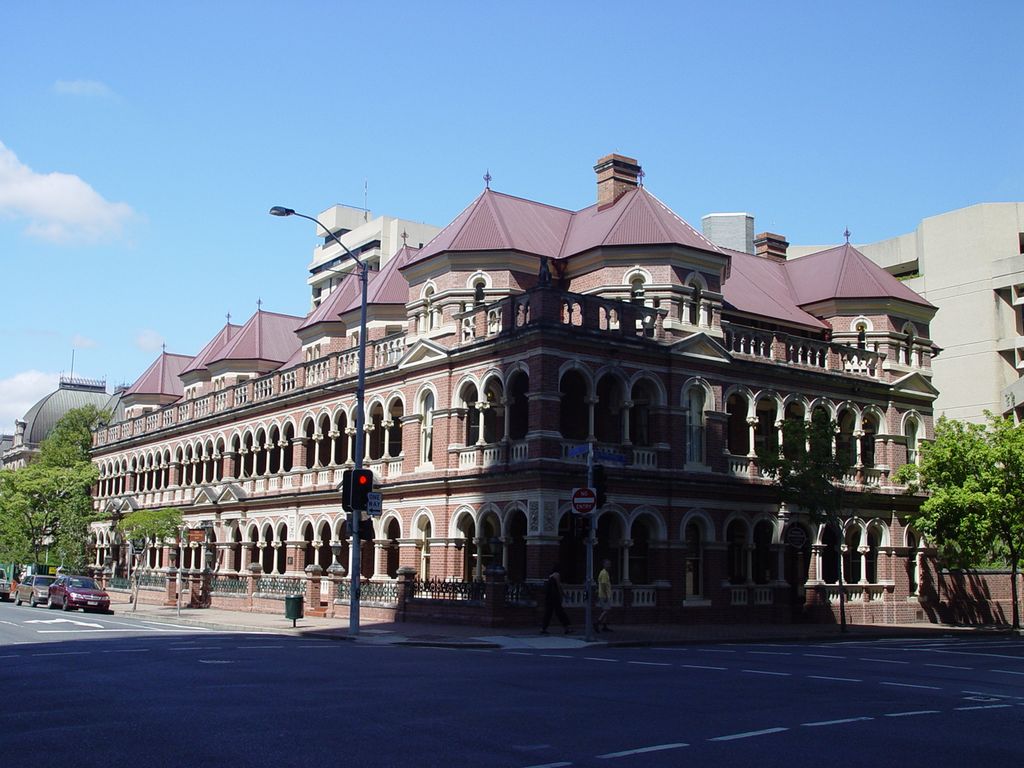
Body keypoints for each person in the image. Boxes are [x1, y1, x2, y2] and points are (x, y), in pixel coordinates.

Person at [540, 563, 572, 634]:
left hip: (549, 597)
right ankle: (567, 628)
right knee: (560, 612)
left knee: (548, 613)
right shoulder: (557, 575)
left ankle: (543, 628)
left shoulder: (550, 576)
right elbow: (558, 586)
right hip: (555, 597)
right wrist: (562, 595)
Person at [596, 559, 613, 632]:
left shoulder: (604, 572)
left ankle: (604, 626)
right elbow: (603, 584)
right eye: (607, 564)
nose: (609, 565)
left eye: (609, 564)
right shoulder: (604, 573)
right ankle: (597, 622)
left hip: (604, 594)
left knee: (606, 610)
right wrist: (606, 595)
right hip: (604, 595)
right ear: (604, 564)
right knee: (606, 610)